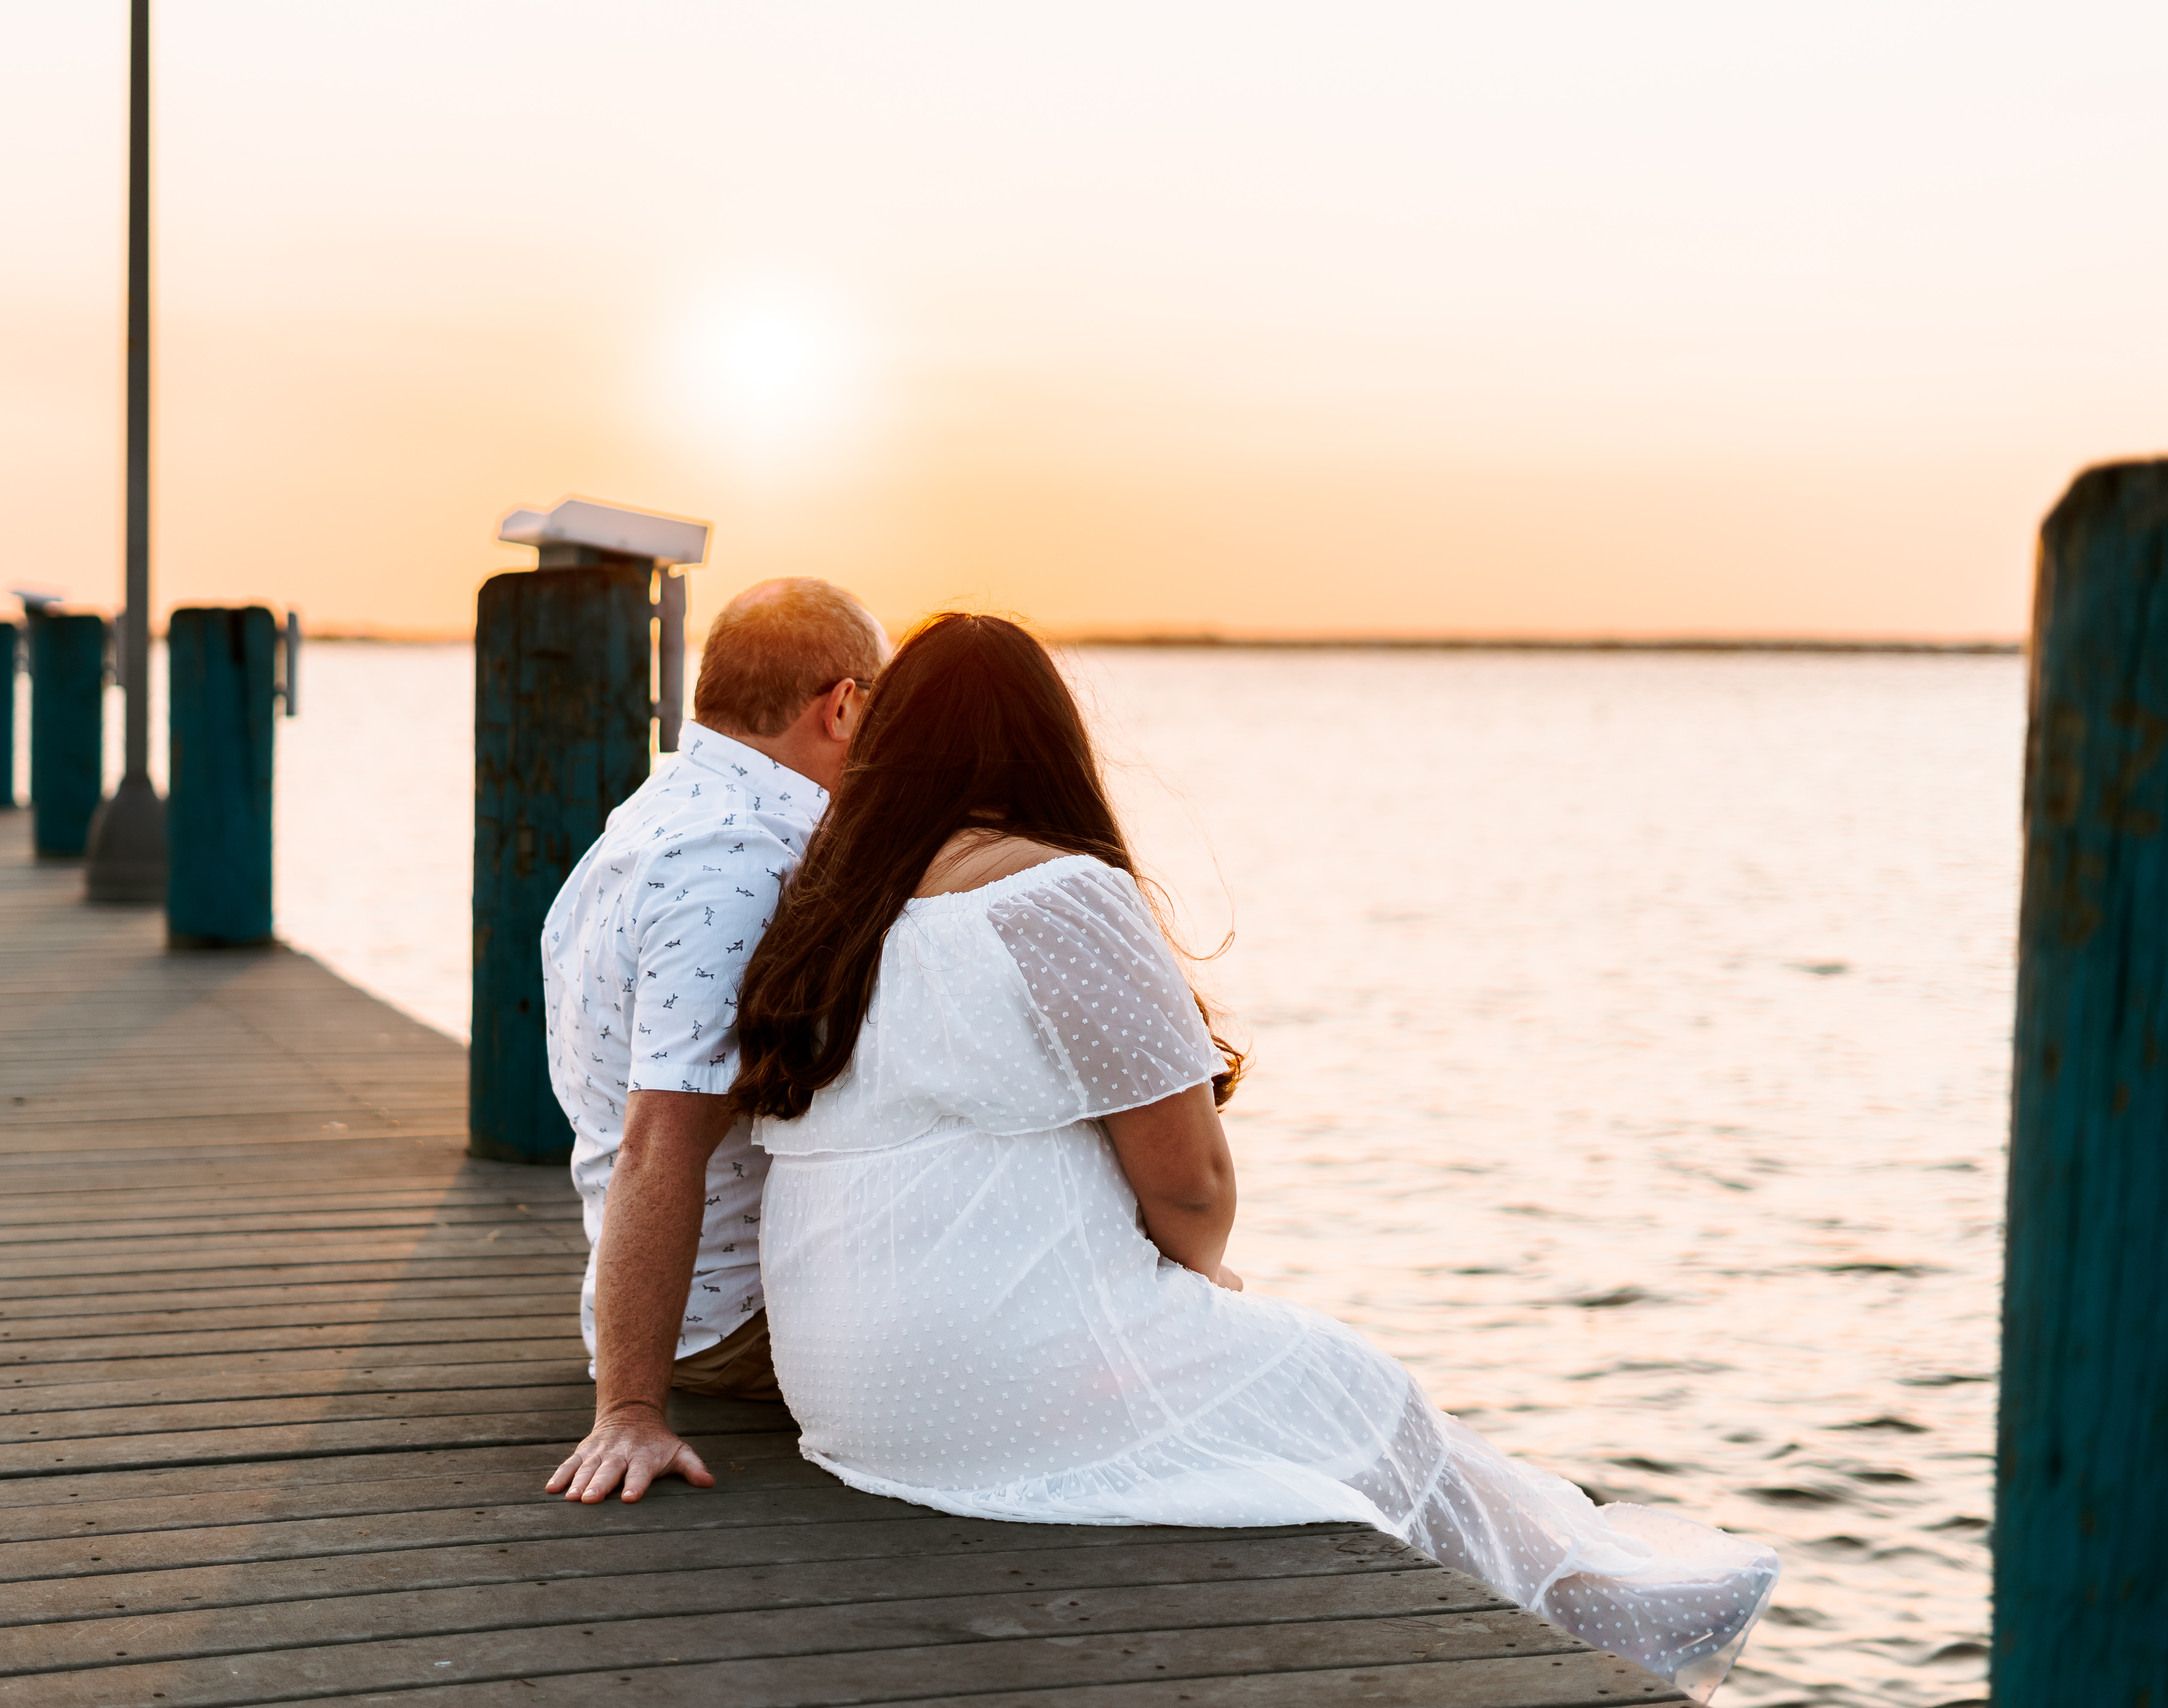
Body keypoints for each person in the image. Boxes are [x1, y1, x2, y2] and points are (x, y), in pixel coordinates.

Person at [727, 613, 1780, 1701]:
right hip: (996, 1380)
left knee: (1318, 1388)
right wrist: (1197, 1282)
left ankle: (1596, 1589)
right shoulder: (1053, 892)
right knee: (1360, 1390)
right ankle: (1600, 1615)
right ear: (1048, 744)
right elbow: (1192, 1183)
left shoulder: (829, 912)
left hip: (846, 1397)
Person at [541, 577, 889, 1506]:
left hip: (715, 1303)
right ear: (844, 704)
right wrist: (629, 1410)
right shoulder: (734, 863)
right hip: (739, 1323)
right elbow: (660, 1137)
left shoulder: (663, 810)